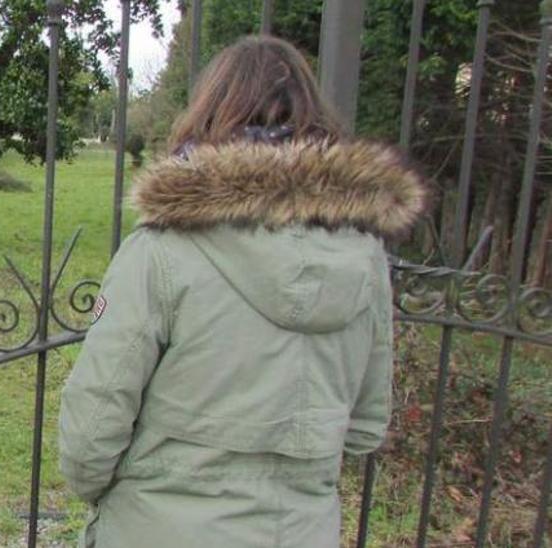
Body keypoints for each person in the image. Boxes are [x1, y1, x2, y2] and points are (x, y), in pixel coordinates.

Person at [57, 35, 429, 547]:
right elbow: (365, 427)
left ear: (208, 116)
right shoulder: (364, 258)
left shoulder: (163, 250)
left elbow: (92, 427)